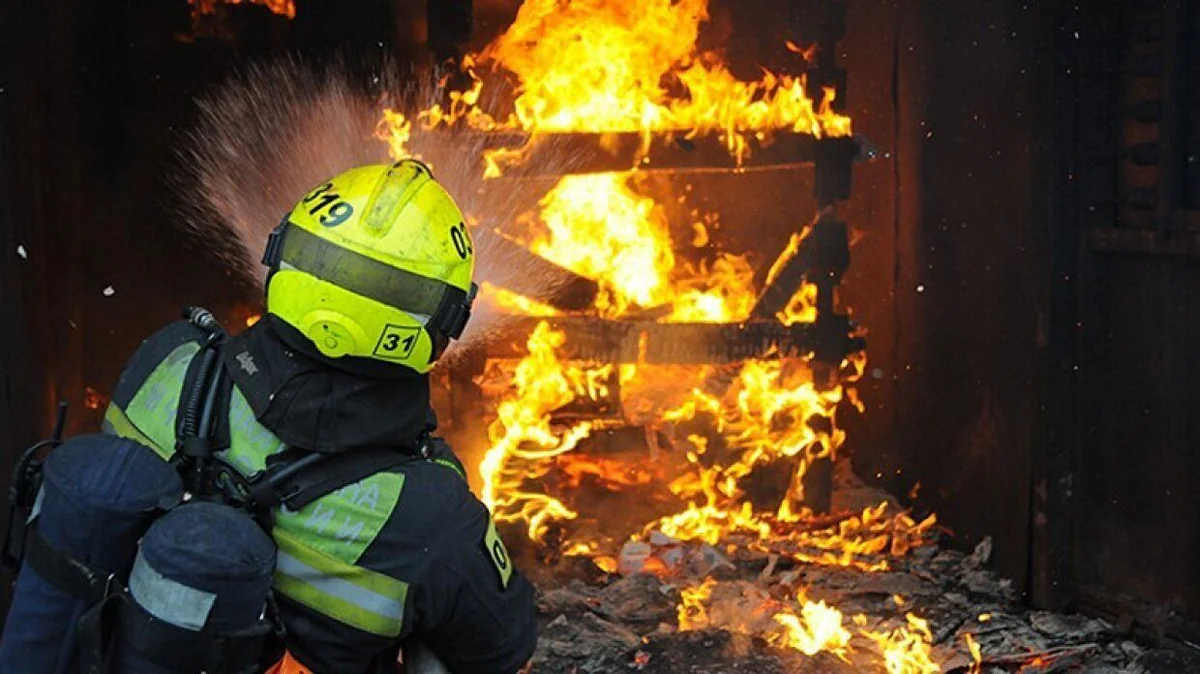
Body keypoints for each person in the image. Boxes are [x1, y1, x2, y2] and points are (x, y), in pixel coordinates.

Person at [98, 159, 538, 673]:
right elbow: (504, 649)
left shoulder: (168, 361)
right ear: (440, 326)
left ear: (282, 258)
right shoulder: (431, 517)